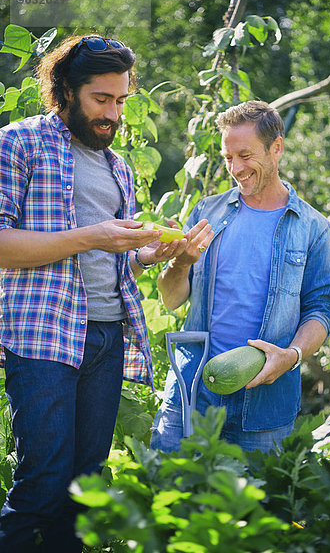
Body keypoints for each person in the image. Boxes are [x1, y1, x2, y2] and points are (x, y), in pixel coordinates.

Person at [0, 33, 211, 553]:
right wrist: (93, 236)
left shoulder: (115, 165)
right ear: (65, 90)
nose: (112, 114)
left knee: (84, 489)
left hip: (106, 335)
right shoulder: (18, 142)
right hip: (43, 336)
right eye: (101, 99)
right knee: (42, 485)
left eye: (120, 101)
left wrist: (148, 253)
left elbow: (112, 258)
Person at [151, 100, 330, 454]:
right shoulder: (207, 212)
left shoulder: (313, 228)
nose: (235, 168)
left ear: (276, 148)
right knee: (166, 499)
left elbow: (321, 310)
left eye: (245, 155)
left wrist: (292, 355)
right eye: (227, 158)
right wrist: (180, 263)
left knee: (258, 508)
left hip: (265, 403)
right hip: (193, 393)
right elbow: (171, 298)